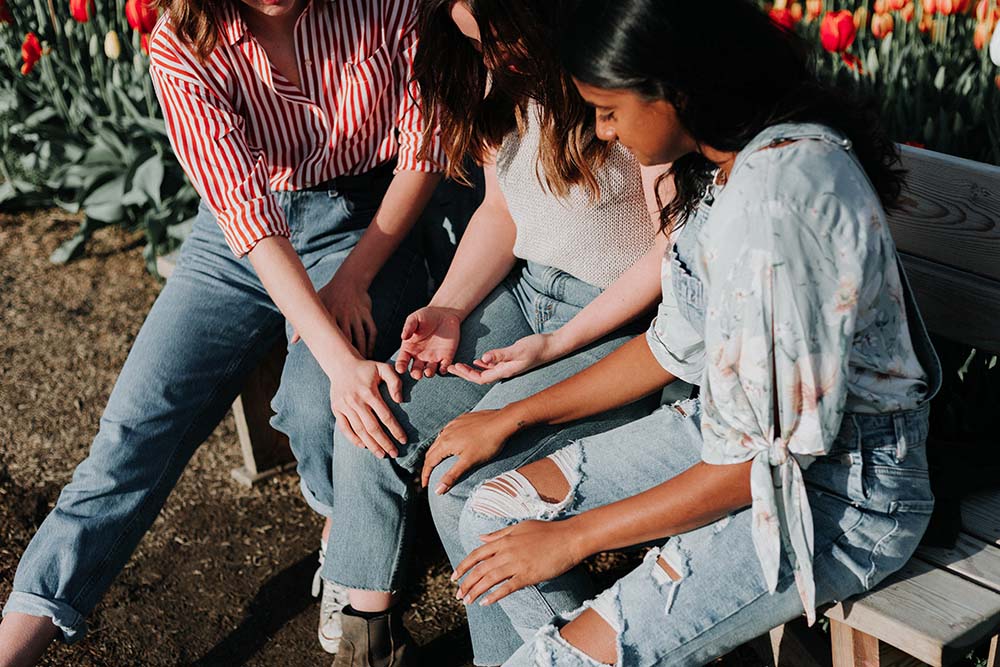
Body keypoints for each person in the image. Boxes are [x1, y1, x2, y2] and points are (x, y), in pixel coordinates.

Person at [443, 1, 943, 665]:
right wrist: (512, 416)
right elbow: (667, 347)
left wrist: (572, 538)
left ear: (675, 88)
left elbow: (755, 470)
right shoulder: (720, 163)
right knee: (492, 510)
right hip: (728, 433)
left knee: (552, 651)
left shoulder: (778, 205)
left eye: (609, 109)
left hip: (835, 496)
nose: (601, 129)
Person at [0, 0, 445, 664]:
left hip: (366, 225)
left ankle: (342, 529)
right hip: (241, 236)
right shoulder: (181, 43)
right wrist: (328, 343)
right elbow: (248, 218)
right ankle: (20, 636)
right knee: (135, 428)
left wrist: (352, 281)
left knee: (319, 401)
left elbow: (425, 143)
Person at [304, 2, 675, 665]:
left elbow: (668, 256)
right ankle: (369, 640)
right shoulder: (495, 77)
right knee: (372, 410)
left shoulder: (612, 77)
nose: (494, 57)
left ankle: (539, 653)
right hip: (527, 295)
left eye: (500, 37)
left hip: (617, 324)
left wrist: (558, 345)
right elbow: (502, 211)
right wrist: (448, 307)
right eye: (477, 44)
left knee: (463, 475)